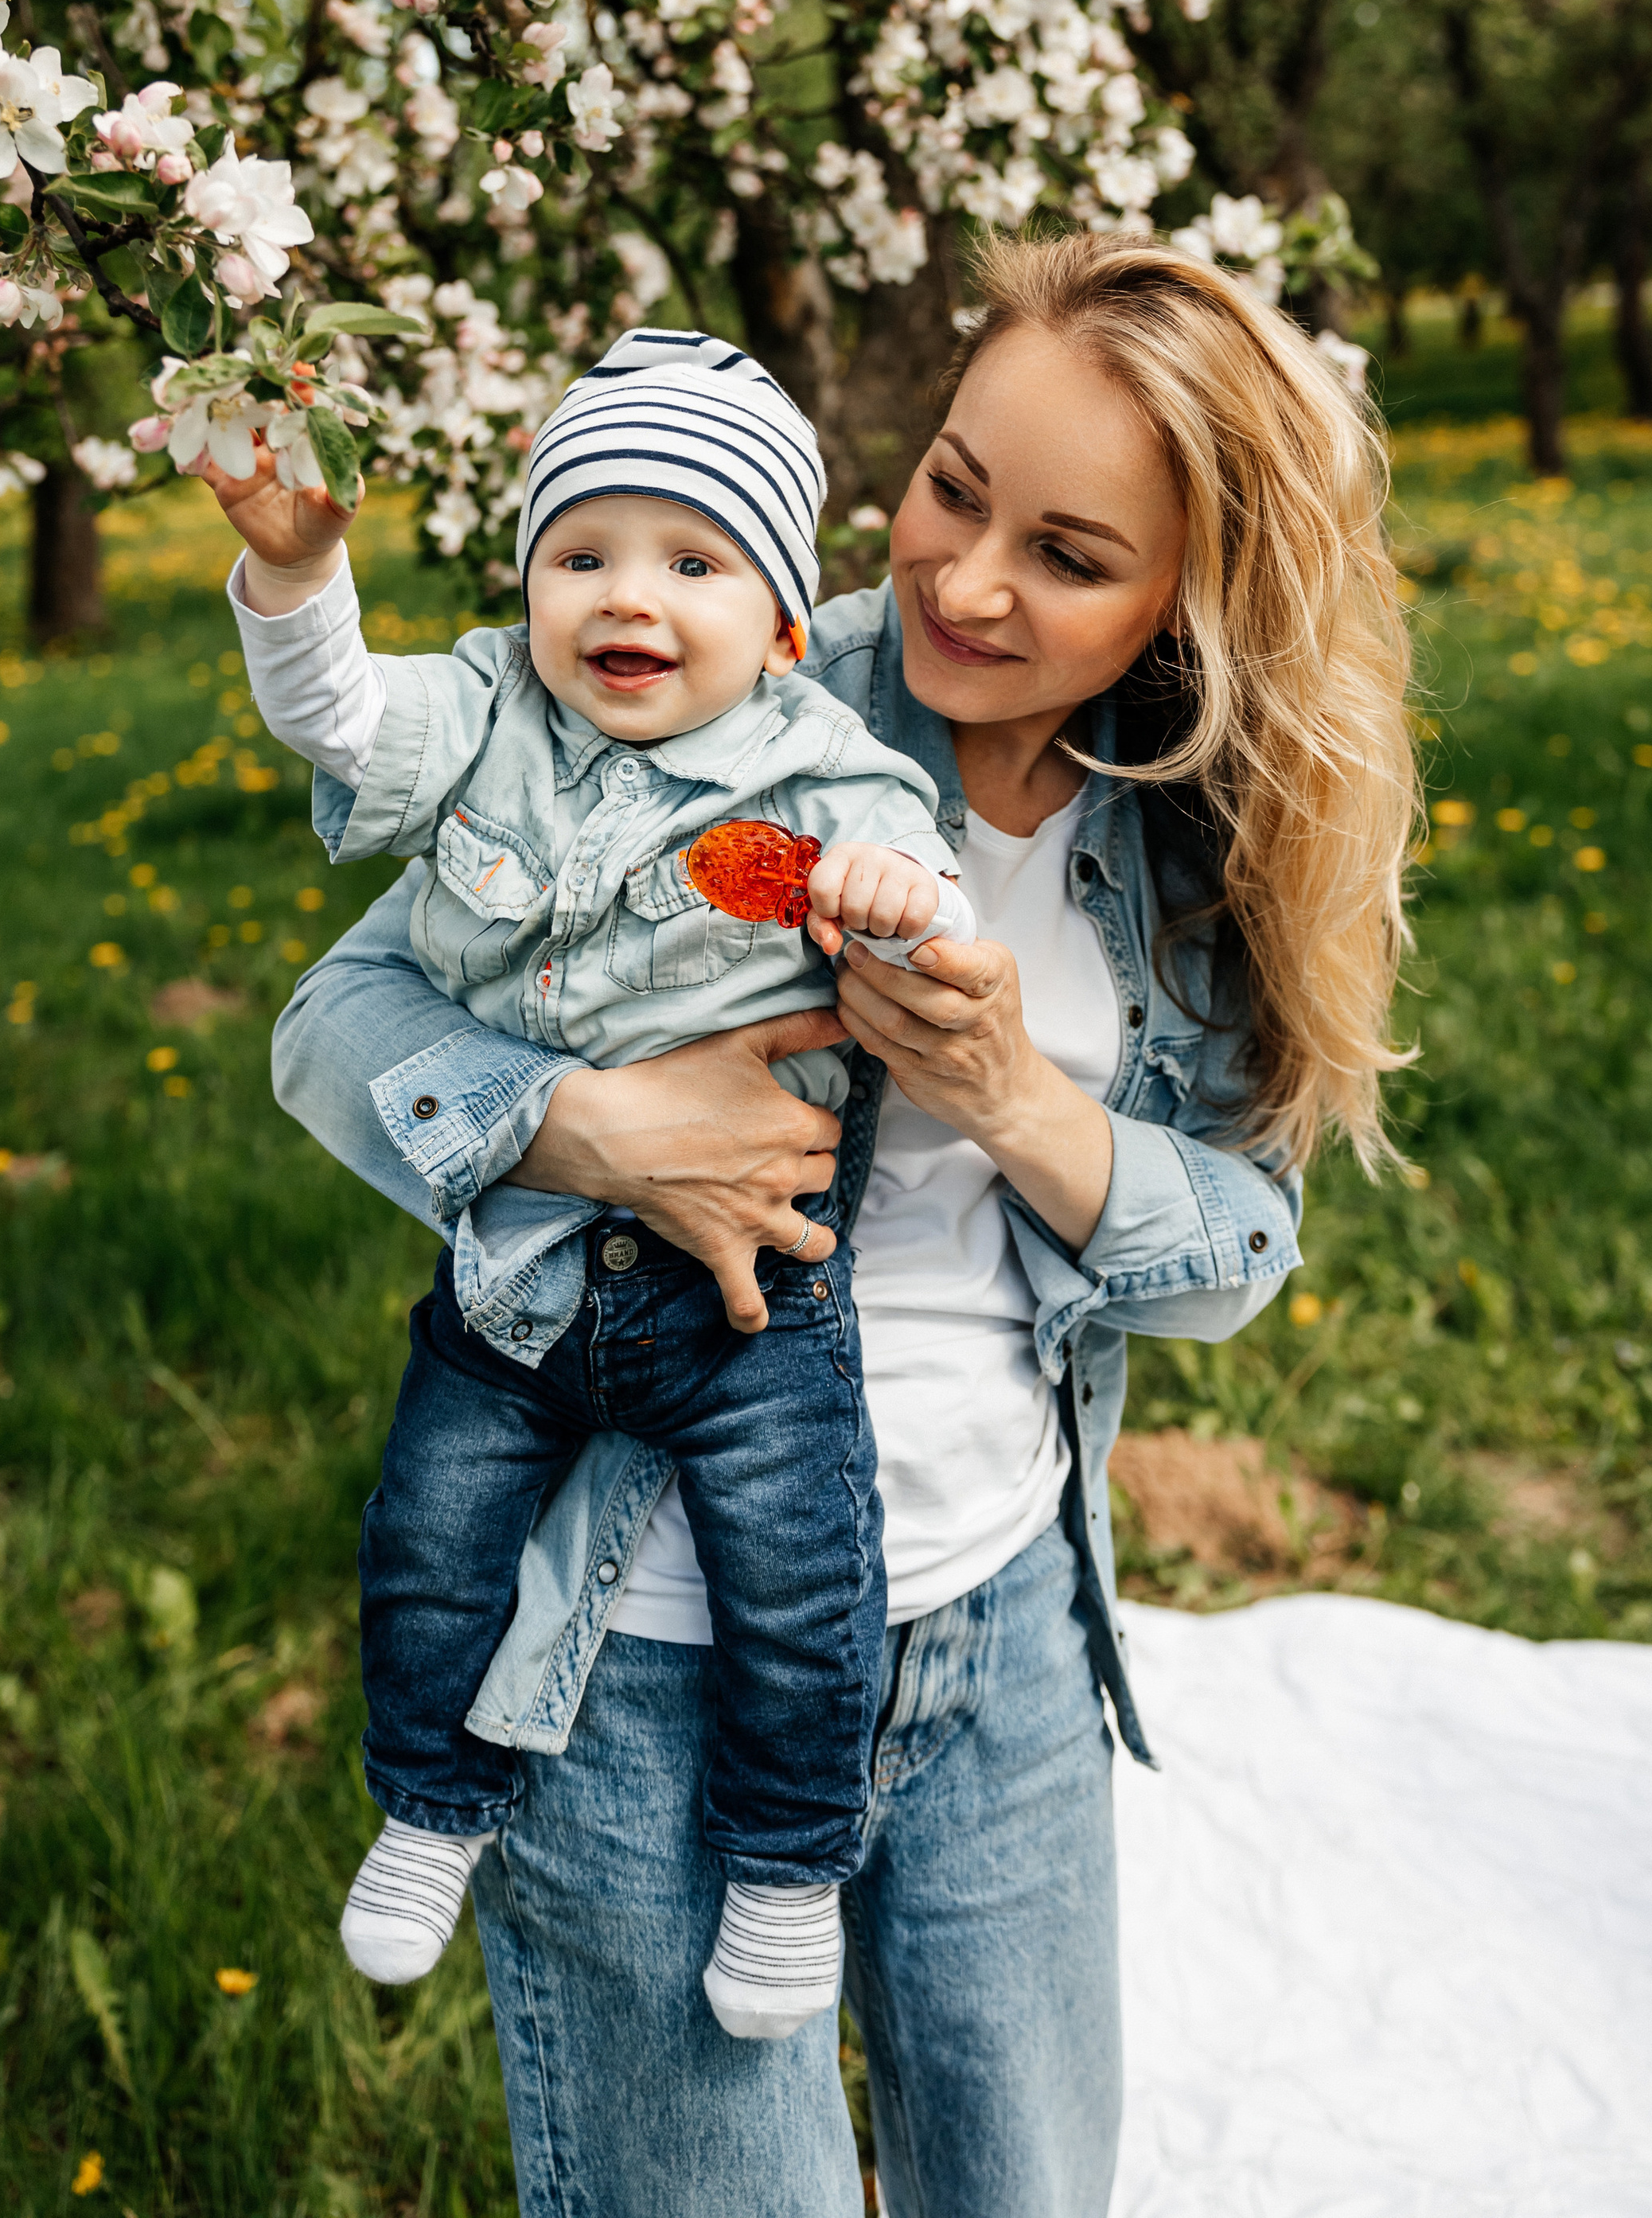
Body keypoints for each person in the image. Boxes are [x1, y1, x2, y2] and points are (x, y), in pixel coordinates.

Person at [274, 232, 1418, 2218]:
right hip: (637, 1641)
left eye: (1068, 557)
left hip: (998, 1638)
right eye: (953, 487)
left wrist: (1015, 1104)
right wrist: (596, 1131)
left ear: (1184, 603)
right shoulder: (710, 673)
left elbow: (1238, 1249)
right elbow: (332, 1028)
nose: (966, 581)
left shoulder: (1187, 831)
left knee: (1025, 2182)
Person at [205, 327, 977, 2037]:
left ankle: (785, 1869)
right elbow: (336, 710)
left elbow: (937, 900)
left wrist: (895, 892)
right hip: (523, 1264)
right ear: (531, 583)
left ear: (780, 621)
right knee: (427, 1542)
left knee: (799, 1573)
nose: (628, 597)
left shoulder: (822, 769)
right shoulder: (487, 709)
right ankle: (429, 1803)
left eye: (691, 561)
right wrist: (298, 567)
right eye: (583, 554)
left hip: (748, 1291)